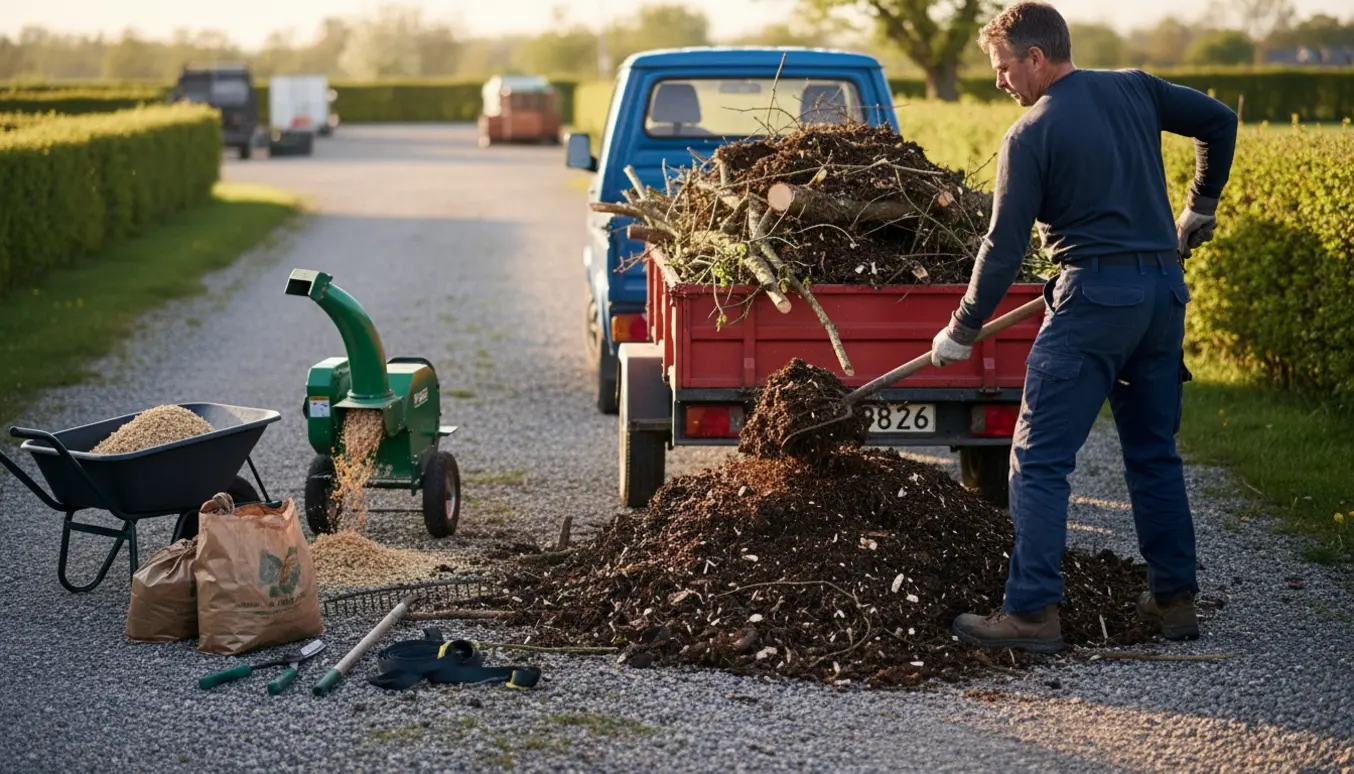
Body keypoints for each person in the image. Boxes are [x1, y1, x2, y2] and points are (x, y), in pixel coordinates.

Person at [929, 1, 1238, 653]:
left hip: (1095, 299)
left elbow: (1002, 247)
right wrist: (1198, 209)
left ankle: (1033, 613)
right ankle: (1174, 601)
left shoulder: (1031, 134)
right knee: (1154, 453)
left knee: (1040, 459)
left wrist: (962, 327)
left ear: (1036, 58)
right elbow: (1219, 120)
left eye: (1004, 68)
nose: (1000, 81)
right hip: (1161, 295)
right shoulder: (1136, 88)